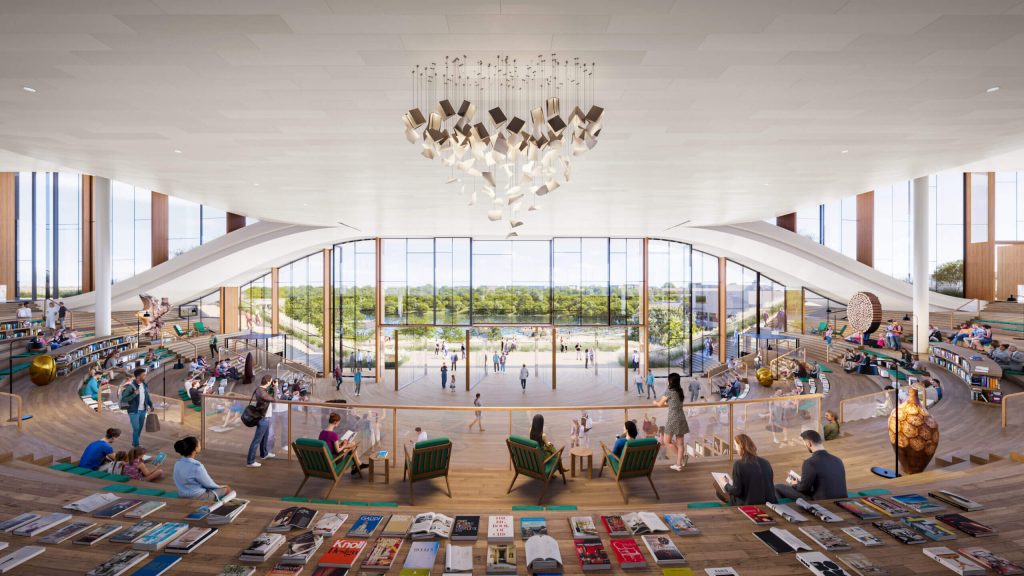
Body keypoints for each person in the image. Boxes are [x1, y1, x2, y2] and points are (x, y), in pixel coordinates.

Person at [774, 430, 847, 501]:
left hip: (822, 502)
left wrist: (795, 484)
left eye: (804, 443)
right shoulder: (838, 460)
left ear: (809, 443)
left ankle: (782, 508)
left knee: (777, 487)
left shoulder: (810, 463)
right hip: (841, 499)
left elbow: (803, 489)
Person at [722, 433, 777, 506]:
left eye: (736, 446)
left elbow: (737, 491)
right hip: (769, 503)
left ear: (741, 446)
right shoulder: (766, 462)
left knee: (721, 492)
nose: (736, 448)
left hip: (749, 504)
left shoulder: (738, 464)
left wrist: (726, 484)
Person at [653, 373, 690, 471]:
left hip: (673, 419)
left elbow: (660, 404)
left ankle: (681, 459)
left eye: (668, 379)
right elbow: (671, 401)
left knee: (666, 441)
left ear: (671, 381)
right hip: (681, 417)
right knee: (680, 443)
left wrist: (655, 402)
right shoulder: (680, 391)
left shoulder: (669, 391)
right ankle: (679, 464)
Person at [246, 375, 276, 467]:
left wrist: (273, 387)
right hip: (263, 418)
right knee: (257, 440)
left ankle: (264, 454)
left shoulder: (261, 389)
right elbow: (274, 399)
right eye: (271, 381)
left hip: (266, 416)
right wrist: (275, 388)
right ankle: (250, 461)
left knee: (265, 437)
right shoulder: (262, 392)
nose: (271, 382)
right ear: (268, 382)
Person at [123, 368, 154, 448]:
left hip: (143, 410)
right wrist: (134, 394)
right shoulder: (130, 386)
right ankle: (136, 445)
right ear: (138, 376)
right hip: (133, 410)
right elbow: (124, 399)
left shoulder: (144, 385)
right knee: (136, 428)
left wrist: (151, 405)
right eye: (143, 375)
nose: (145, 376)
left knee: (139, 428)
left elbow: (147, 396)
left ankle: (135, 442)